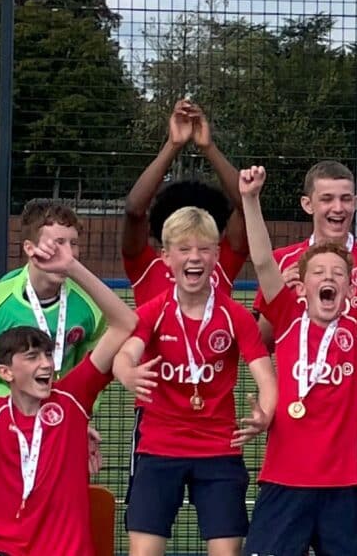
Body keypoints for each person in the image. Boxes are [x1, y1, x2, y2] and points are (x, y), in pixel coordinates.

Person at [0, 242, 144, 556]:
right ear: (6, 372)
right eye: (32, 357)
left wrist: (71, 268)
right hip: (6, 550)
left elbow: (126, 323)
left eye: (48, 355)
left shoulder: (73, 397)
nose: (46, 364)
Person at [239, 166, 357, 555]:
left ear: (350, 286)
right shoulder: (285, 318)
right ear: (301, 284)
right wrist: (250, 200)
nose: (327, 277)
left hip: (343, 484)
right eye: (317, 272)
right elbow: (264, 263)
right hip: (285, 479)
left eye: (337, 273)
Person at [113, 206, 277, 556]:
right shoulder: (153, 311)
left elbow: (267, 377)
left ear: (217, 256)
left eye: (204, 249)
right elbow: (124, 355)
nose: (195, 258)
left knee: (227, 552)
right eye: (184, 249)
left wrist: (265, 413)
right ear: (166, 258)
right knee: (142, 551)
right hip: (159, 446)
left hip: (218, 448)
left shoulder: (235, 316)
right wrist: (126, 371)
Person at [0, 200, 110, 492]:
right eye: (58, 243)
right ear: (29, 248)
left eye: (73, 243)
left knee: (52, 525)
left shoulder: (90, 308)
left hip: (56, 432)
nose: (68, 254)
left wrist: (70, 415)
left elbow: (91, 376)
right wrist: (28, 408)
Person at [121, 99, 247, 306]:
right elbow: (134, 210)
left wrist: (208, 147)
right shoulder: (147, 266)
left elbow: (246, 205)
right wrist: (173, 145)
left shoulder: (219, 261)